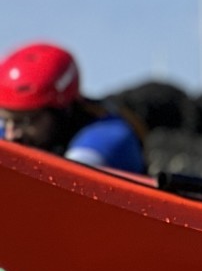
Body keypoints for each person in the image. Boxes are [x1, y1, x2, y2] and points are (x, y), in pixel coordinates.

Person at [0, 42, 146, 173]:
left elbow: (72, 179)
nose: (11, 135)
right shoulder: (12, 132)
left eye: (26, 121)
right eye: (5, 120)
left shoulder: (107, 135)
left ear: (61, 111)